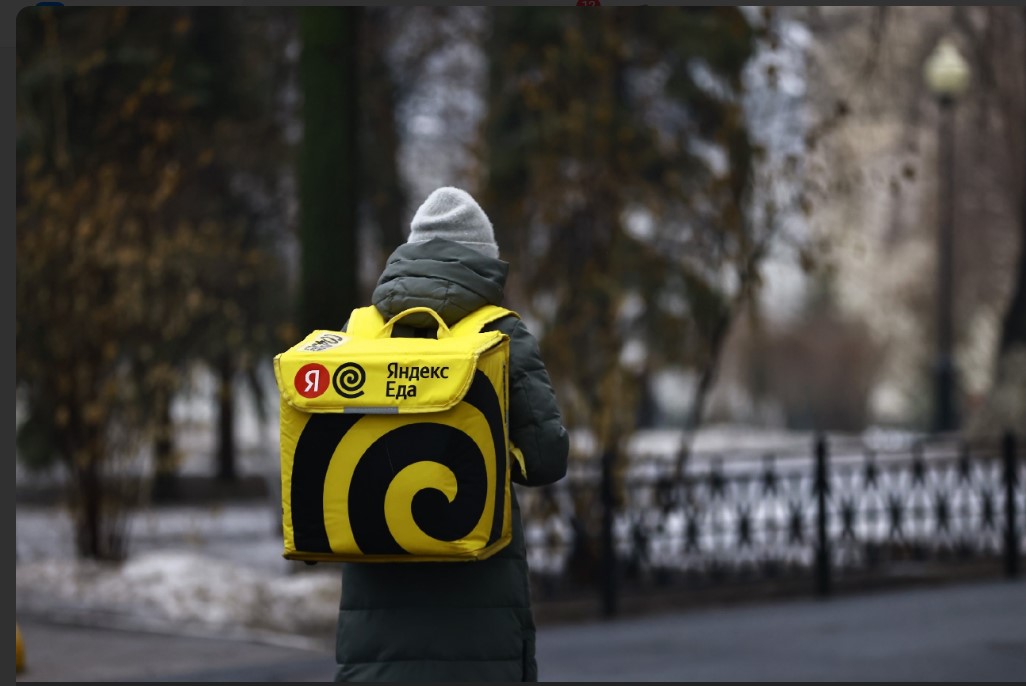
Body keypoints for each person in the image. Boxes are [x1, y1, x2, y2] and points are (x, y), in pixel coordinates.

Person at [333, 187, 570, 682]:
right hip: (477, 588)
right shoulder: (499, 333)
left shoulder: (360, 334)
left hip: (378, 592)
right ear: (484, 261)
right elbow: (547, 458)